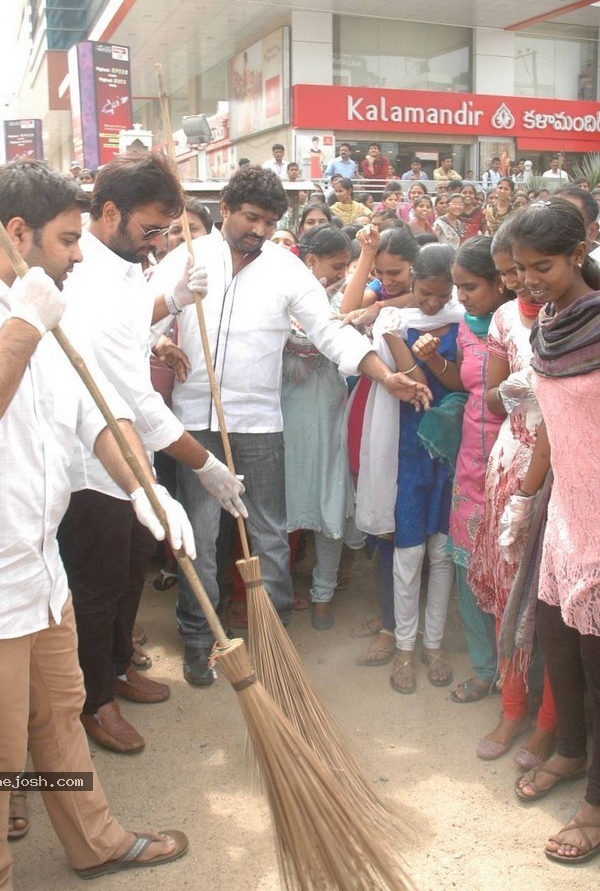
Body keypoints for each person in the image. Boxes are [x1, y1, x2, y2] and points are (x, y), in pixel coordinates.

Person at [0, 160, 191, 888]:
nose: (79, 252)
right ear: (17, 233)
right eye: (65, 240)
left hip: (37, 568)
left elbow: (91, 409)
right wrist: (22, 326)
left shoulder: (46, 297)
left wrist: (146, 487)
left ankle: (94, 841)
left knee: (60, 716)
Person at [149, 165, 430, 685]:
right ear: (228, 209)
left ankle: (273, 638)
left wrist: (383, 374)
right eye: (251, 218)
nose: (259, 229)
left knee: (269, 537)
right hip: (192, 423)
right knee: (201, 537)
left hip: (259, 424)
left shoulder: (287, 269)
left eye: (270, 221)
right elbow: (137, 321)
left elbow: (330, 333)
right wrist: (164, 333)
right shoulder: (186, 257)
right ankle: (199, 638)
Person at [58, 153, 245, 753]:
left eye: (168, 232)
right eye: (150, 230)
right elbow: (138, 400)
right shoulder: (86, 276)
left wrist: (172, 305)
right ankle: (94, 700)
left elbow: (135, 326)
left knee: (131, 566)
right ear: (108, 211)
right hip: (95, 465)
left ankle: (116, 665)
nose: (158, 244)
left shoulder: (123, 267)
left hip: (127, 458)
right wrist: (206, 464)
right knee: (96, 585)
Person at [507, 201, 600, 864]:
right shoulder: (550, 325)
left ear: (581, 249)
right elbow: (550, 420)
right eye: (519, 269)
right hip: (567, 508)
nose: (530, 281)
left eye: (542, 266)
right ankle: (570, 751)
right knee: (557, 643)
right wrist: (527, 491)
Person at [465, 219, 557, 765]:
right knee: (507, 590)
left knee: (550, 599)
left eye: (526, 269)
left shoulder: (576, 313)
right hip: (509, 461)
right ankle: (513, 706)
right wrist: (513, 387)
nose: (520, 281)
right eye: (508, 273)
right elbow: (496, 402)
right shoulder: (503, 318)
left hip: (563, 468)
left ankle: (551, 719)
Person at [372, 245, 462, 693]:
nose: (432, 304)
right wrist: (393, 337)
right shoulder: (393, 322)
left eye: (442, 295)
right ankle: (405, 647)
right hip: (409, 446)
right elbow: (418, 387)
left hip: (451, 449)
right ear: (413, 283)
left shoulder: (466, 319)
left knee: (442, 552)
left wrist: (428, 353)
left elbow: (457, 381)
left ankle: (434, 644)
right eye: (425, 293)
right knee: (409, 550)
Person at [281, 225, 365, 629]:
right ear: (309, 261)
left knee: (331, 505)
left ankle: (322, 595)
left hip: (329, 412)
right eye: (337, 265)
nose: (342, 273)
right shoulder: (280, 296)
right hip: (283, 416)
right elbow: (304, 341)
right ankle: (278, 593)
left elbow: (334, 333)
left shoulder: (343, 299)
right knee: (278, 510)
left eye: (348, 266)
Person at [446, 237, 510, 705]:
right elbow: (463, 383)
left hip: (513, 466)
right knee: (468, 572)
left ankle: (515, 676)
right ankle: (484, 668)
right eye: (457, 287)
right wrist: (431, 361)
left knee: (509, 575)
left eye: (469, 287)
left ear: (498, 282)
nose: (461, 297)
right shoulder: (465, 328)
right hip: (469, 466)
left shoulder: (524, 326)